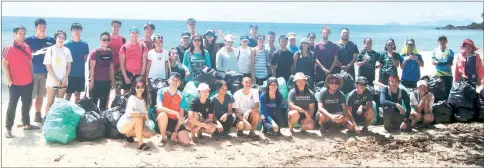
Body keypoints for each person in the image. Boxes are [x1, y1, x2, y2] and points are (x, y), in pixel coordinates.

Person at [2, 25, 40, 138]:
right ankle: (8, 128)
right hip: (15, 84)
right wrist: (9, 81)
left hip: (28, 82)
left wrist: (31, 77)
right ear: (14, 34)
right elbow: (4, 65)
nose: (22, 35)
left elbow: (29, 63)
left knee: (26, 105)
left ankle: (26, 124)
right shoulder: (8, 48)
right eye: (20, 33)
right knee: (12, 106)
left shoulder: (27, 47)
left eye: (24, 33)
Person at [25, 18, 55, 123]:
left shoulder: (51, 41)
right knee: (29, 96)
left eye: (44, 27)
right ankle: (25, 117)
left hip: (46, 73)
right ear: (35, 28)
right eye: (40, 27)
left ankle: (37, 115)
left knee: (40, 95)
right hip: (31, 73)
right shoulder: (28, 40)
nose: (42, 29)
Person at [116, 77, 153, 151]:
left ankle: (128, 134)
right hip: (125, 123)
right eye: (138, 87)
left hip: (135, 124)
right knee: (138, 118)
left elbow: (145, 116)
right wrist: (143, 114)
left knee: (150, 134)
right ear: (134, 88)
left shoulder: (145, 99)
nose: (140, 89)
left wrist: (148, 122)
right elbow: (131, 113)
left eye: (142, 87)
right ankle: (141, 144)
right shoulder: (132, 98)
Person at [155, 72, 191, 146]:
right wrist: (174, 112)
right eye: (173, 80)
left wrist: (175, 131)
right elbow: (159, 107)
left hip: (175, 122)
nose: (174, 82)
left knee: (186, 142)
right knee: (162, 115)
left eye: (177, 80)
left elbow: (181, 117)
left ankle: (171, 133)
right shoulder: (161, 91)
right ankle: (163, 138)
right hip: (163, 119)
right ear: (168, 81)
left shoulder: (182, 96)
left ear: (179, 83)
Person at [43, 30, 73, 116]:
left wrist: (65, 78)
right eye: (59, 37)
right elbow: (48, 66)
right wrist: (56, 80)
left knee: (60, 102)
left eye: (63, 37)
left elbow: (69, 66)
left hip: (63, 80)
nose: (61, 39)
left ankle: (56, 120)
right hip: (52, 81)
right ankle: (47, 119)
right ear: (56, 38)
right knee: (50, 102)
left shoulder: (67, 50)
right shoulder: (50, 49)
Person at [88, 32, 115, 111]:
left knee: (104, 106)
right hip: (96, 82)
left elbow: (111, 68)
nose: (106, 41)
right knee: (93, 105)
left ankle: (101, 122)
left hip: (106, 82)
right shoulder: (95, 53)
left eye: (108, 40)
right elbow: (91, 68)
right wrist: (91, 82)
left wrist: (113, 81)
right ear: (100, 41)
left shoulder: (110, 53)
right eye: (104, 39)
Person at [64, 23, 89, 103]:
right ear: (71, 31)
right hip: (69, 74)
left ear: (81, 31)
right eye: (74, 29)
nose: (76, 31)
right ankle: (66, 112)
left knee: (77, 95)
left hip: (80, 74)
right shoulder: (66, 44)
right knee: (67, 95)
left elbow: (84, 59)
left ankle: (75, 113)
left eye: (78, 29)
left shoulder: (85, 44)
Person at [119, 26, 148, 94]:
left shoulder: (143, 46)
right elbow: (121, 63)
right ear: (129, 34)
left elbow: (144, 62)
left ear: (138, 34)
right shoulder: (124, 47)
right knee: (125, 94)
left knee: (138, 94)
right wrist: (125, 77)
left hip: (138, 74)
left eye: (136, 33)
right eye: (133, 32)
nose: (135, 34)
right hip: (127, 73)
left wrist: (141, 76)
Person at [146, 35, 169, 106]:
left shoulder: (165, 52)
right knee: (153, 97)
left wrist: (167, 78)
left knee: (162, 98)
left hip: (162, 78)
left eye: (160, 42)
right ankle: (152, 113)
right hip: (152, 78)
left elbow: (166, 65)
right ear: (154, 43)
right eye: (156, 42)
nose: (158, 44)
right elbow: (148, 66)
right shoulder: (150, 52)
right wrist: (146, 79)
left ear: (162, 43)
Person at [109, 20, 127, 97]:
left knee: (118, 90)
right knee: (107, 90)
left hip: (119, 68)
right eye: (114, 26)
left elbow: (126, 53)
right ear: (111, 27)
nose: (116, 28)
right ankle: (105, 108)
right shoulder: (107, 38)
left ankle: (117, 107)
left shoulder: (123, 39)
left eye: (118, 26)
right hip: (108, 68)